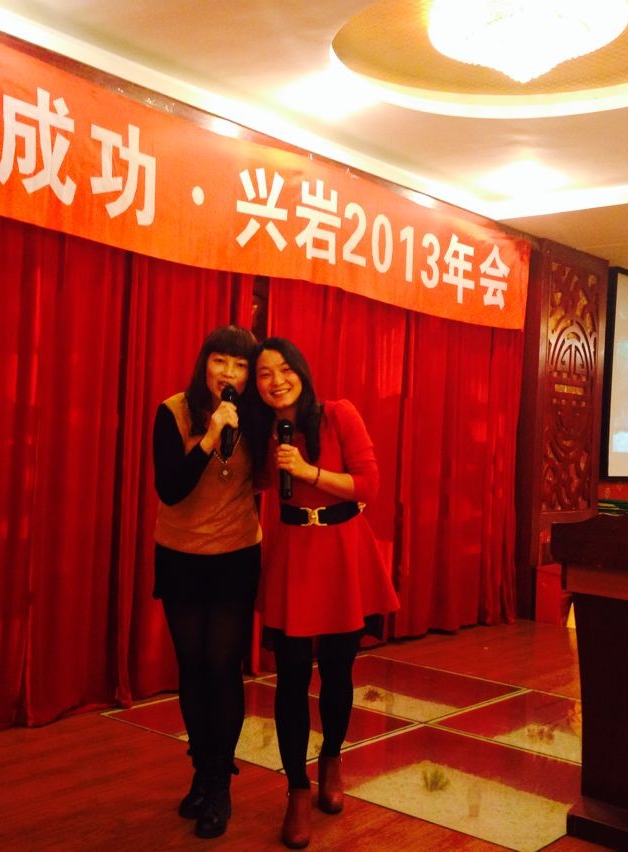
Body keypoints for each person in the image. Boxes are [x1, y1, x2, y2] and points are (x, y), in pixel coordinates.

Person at [251, 337, 400, 850]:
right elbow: (250, 483)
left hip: (341, 552)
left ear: (302, 370)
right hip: (294, 554)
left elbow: (369, 485)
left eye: (284, 369)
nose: (276, 381)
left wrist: (308, 471)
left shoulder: (339, 415)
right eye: (264, 374)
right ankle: (296, 790)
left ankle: (332, 760)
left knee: (339, 671)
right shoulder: (264, 431)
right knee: (291, 678)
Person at [152, 325, 262, 839]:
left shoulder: (254, 416)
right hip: (180, 555)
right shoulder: (173, 412)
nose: (229, 373)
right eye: (221, 361)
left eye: (240, 365)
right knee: (192, 666)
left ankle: (219, 784)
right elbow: (170, 489)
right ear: (205, 364)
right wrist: (211, 437)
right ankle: (201, 769)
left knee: (222, 666)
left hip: (235, 555)